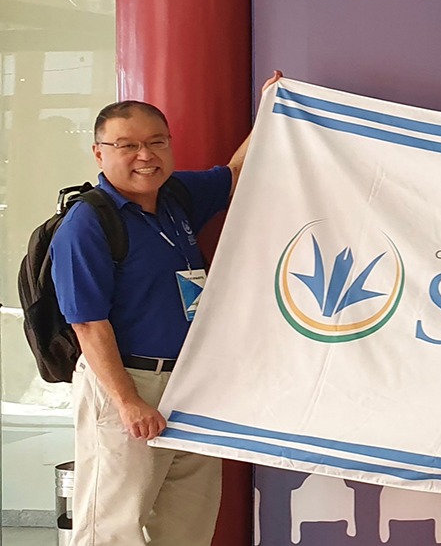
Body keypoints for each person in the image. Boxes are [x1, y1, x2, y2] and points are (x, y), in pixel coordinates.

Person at [51, 72, 281, 546]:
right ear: (99, 152)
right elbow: (88, 324)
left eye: (156, 142)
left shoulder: (175, 198)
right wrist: (128, 401)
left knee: (187, 524)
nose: (144, 156)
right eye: (127, 146)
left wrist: (271, 108)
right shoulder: (88, 223)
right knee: (111, 526)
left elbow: (236, 174)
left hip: (192, 384)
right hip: (128, 384)